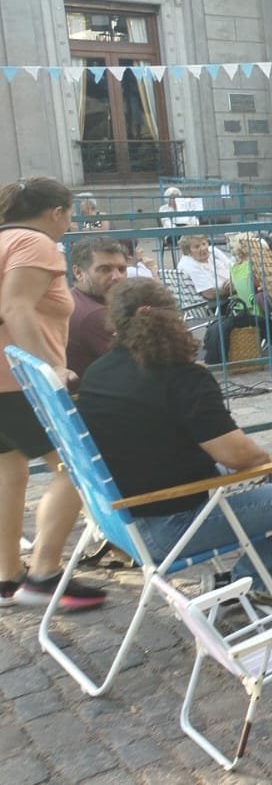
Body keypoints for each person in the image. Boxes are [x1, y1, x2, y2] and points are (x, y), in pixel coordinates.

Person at [77, 279, 272, 606]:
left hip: (118, 523)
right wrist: (267, 460)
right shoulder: (180, 375)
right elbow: (237, 455)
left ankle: (250, 579)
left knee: (233, 474)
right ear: (160, 315)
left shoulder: (98, 372)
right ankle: (259, 583)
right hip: (167, 528)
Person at [0, 177, 105, 610]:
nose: (70, 223)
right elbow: (15, 306)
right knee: (80, 466)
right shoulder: (35, 242)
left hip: (4, 383)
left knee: (9, 474)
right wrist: (49, 368)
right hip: (18, 382)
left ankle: (7, 578)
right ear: (56, 212)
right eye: (70, 215)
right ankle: (44, 574)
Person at [65, 237, 129, 378]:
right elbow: (133, 366)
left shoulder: (73, 298)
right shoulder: (95, 315)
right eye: (105, 269)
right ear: (78, 273)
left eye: (122, 269)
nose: (117, 276)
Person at [176, 233, 236, 302]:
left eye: (204, 244)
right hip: (219, 303)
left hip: (234, 291)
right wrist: (235, 287)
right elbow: (209, 294)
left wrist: (234, 280)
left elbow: (233, 267)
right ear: (188, 251)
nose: (203, 248)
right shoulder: (188, 264)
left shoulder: (213, 251)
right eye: (197, 247)